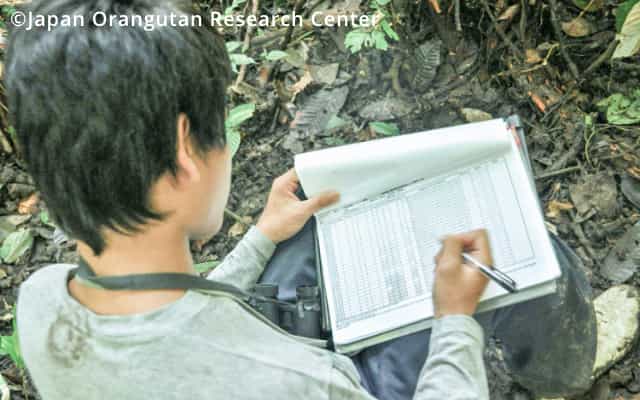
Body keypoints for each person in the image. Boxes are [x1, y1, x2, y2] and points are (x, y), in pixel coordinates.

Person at [4, 0, 596, 398]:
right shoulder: (299, 382)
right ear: (187, 153)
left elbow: (178, 323)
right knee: (531, 260)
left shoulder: (41, 301)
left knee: (316, 226)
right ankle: (563, 381)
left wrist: (261, 237)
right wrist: (454, 320)